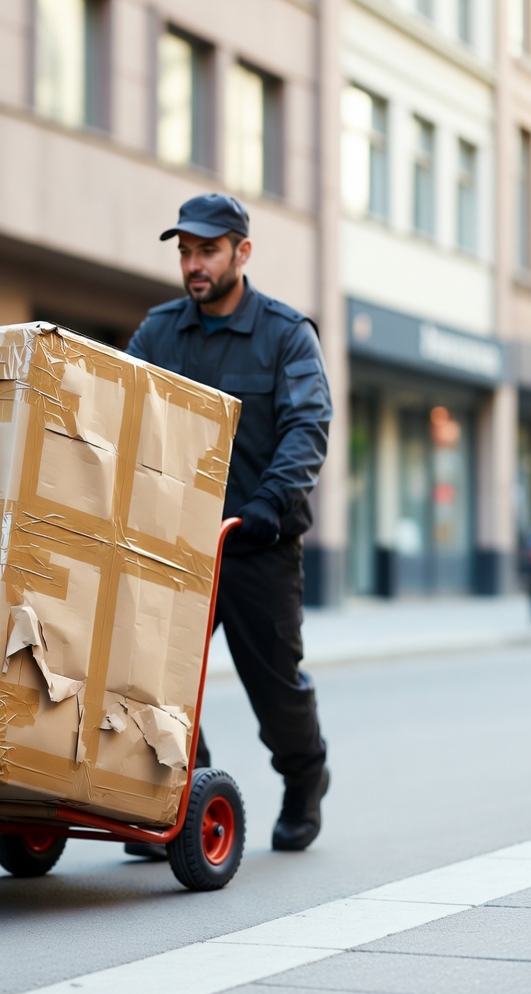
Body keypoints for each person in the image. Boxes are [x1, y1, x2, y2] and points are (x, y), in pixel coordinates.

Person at [125, 193, 333, 854]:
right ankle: (178, 797)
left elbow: (307, 426)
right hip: (175, 543)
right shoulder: (158, 332)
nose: (194, 264)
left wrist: (271, 501)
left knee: (275, 690)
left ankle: (305, 778)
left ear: (242, 252)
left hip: (256, 541)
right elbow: (122, 412)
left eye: (208, 251)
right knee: (149, 678)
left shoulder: (286, 333)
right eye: (186, 252)